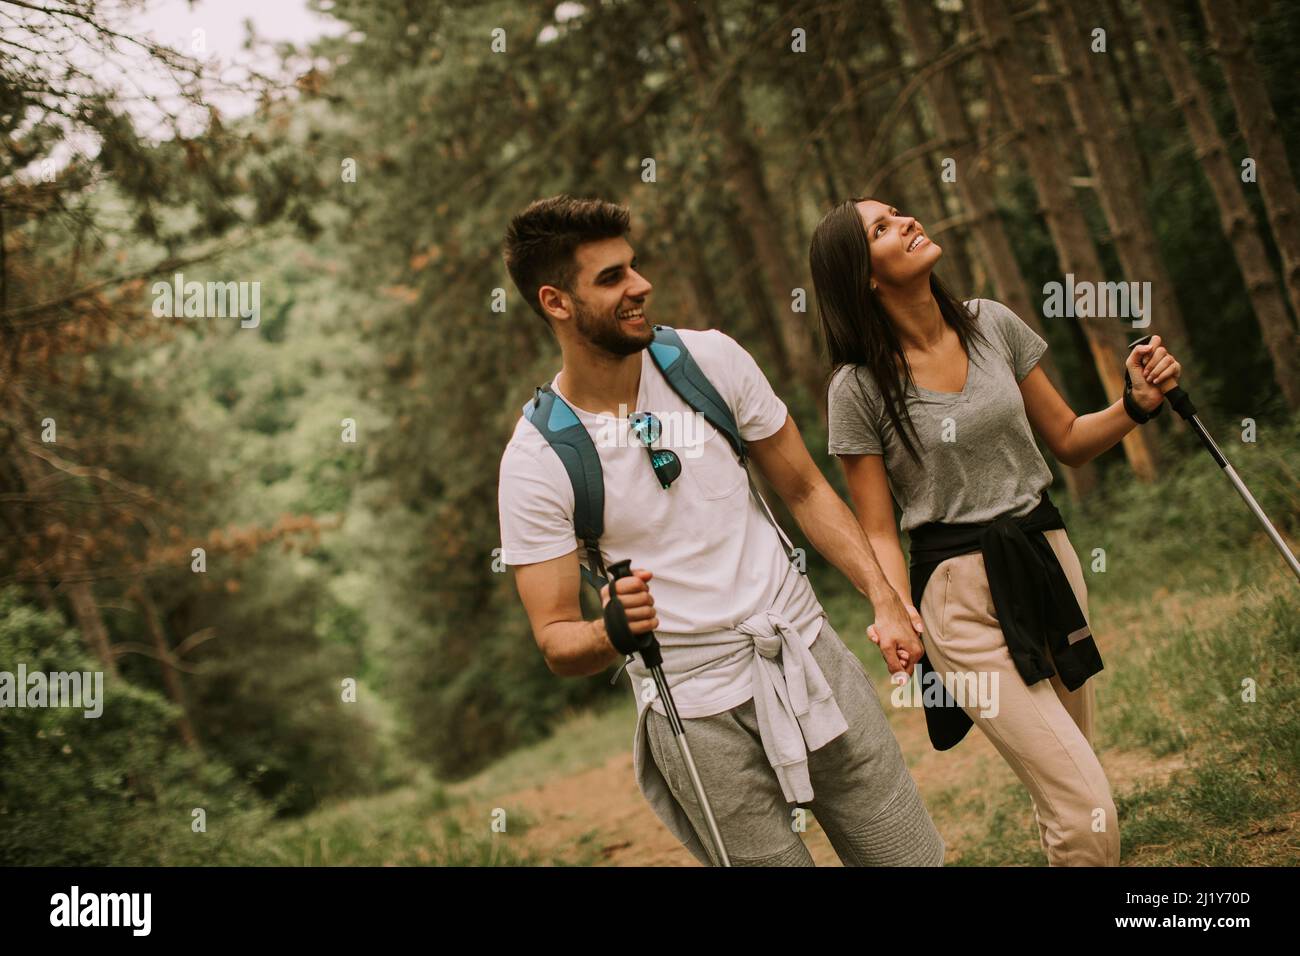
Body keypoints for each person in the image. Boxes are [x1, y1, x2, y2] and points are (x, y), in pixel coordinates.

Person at [496, 194, 945, 866]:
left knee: (910, 860)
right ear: (557, 302)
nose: (641, 285)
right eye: (611, 278)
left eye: (634, 267)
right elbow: (558, 640)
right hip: (693, 710)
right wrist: (610, 631)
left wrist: (884, 596)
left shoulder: (709, 361)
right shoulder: (536, 461)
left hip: (806, 651)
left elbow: (805, 488)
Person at [811, 198, 1182, 866]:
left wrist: (1134, 406)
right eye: (883, 228)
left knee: (1069, 779)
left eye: (901, 213)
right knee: (1085, 802)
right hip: (957, 600)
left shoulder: (991, 324)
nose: (908, 223)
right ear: (864, 275)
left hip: (1049, 561)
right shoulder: (858, 388)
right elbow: (880, 530)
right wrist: (891, 610)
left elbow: (1067, 439)